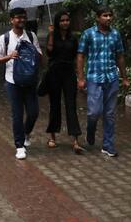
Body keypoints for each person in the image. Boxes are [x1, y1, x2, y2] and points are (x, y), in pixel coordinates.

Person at [76, 6, 130, 157]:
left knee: (110, 114)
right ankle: (91, 131)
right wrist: (80, 78)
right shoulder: (88, 34)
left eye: (110, 15)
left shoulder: (115, 35)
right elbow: (80, 56)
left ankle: (108, 145)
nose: (108, 18)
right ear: (98, 18)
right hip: (94, 78)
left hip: (111, 78)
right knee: (94, 112)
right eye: (105, 16)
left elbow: (120, 56)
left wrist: (124, 77)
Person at [0, 7, 43, 160]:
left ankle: (26, 133)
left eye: (23, 17)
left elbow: (40, 56)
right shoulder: (5, 38)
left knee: (33, 112)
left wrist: (34, 53)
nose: (21, 20)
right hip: (12, 82)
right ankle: (19, 146)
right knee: (17, 115)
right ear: (11, 20)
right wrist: (10, 56)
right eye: (18, 17)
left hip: (29, 81)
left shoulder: (31, 35)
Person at [45, 10, 85, 154]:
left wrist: (80, 76)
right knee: (54, 104)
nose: (65, 22)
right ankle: (52, 137)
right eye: (62, 20)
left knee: (71, 105)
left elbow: (77, 56)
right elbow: (49, 52)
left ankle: (75, 140)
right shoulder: (51, 36)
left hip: (68, 73)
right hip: (54, 72)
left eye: (67, 20)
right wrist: (50, 35)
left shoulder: (73, 38)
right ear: (57, 22)